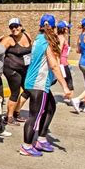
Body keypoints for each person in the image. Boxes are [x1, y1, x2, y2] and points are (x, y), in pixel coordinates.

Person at [19, 14, 72, 157]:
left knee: (50, 108)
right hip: (38, 83)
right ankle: (27, 146)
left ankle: (41, 139)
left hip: (36, 82)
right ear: (53, 28)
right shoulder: (46, 42)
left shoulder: (39, 39)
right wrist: (65, 86)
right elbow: (54, 65)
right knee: (34, 116)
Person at [0, 18, 32, 125]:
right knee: (15, 92)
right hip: (11, 69)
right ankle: (9, 117)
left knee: (28, 89)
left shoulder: (27, 35)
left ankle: (16, 112)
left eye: (16, 26)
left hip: (25, 68)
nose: (14, 29)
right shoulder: (8, 39)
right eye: (11, 27)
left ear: (21, 26)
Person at [57, 20, 75, 103]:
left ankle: (68, 97)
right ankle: (72, 100)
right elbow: (59, 50)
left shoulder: (60, 37)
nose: (68, 29)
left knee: (66, 80)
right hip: (63, 63)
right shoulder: (61, 38)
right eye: (67, 27)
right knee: (69, 81)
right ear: (63, 29)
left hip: (63, 62)